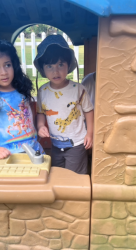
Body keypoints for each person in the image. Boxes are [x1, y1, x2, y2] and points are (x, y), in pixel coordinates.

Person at [0, 38, 43, 159]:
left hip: (34, 149)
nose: (4, 72)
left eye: (7, 65)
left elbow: (30, 114)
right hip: (8, 154)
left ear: (14, 65)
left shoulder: (22, 90)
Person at [34, 35, 94, 174]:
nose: (55, 71)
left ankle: (75, 195)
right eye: (49, 66)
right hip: (55, 144)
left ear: (68, 65)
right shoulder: (43, 91)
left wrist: (90, 133)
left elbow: (89, 111)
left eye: (60, 64)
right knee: (58, 173)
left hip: (77, 144)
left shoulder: (78, 89)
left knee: (75, 175)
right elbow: (41, 112)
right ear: (43, 69)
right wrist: (40, 125)